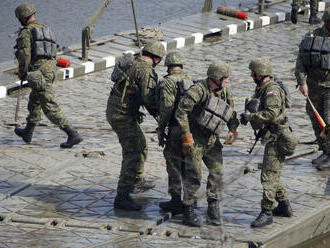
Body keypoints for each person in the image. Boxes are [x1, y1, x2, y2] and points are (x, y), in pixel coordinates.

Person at [175, 61, 239, 227]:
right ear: (216, 78)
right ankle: (188, 209)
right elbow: (181, 112)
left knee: (217, 173)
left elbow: (231, 113)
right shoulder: (198, 90)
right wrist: (186, 135)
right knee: (194, 176)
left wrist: (233, 130)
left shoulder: (224, 92)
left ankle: (213, 207)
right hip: (195, 140)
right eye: (225, 78)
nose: (227, 81)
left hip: (212, 140)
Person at [14, 2, 83, 149]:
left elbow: (24, 54)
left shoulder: (27, 32)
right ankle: (28, 131)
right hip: (50, 71)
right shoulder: (46, 29)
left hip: (38, 73)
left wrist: (22, 71)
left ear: (21, 17)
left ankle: (72, 133)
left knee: (49, 105)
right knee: (35, 100)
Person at [106, 41, 165, 211]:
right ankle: (122, 196)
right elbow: (149, 98)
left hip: (118, 110)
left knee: (141, 146)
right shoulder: (145, 71)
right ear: (157, 59)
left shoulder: (132, 63)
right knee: (132, 153)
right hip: (122, 115)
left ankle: (136, 180)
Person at [240, 58, 295, 228]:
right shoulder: (262, 88)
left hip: (278, 138)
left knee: (268, 176)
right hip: (273, 136)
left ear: (261, 73)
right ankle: (284, 205)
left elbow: (271, 113)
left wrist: (251, 117)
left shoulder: (272, 91)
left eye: (253, 73)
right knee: (272, 172)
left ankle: (266, 212)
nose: (251, 75)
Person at [157, 52, 193, 214]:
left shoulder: (168, 82)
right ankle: (189, 200)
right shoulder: (190, 79)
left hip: (175, 128)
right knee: (188, 164)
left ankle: (176, 200)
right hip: (190, 128)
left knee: (173, 163)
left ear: (168, 66)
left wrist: (161, 126)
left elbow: (166, 107)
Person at [295, 8, 330, 169]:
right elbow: (301, 61)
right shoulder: (313, 36)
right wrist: (302, 82)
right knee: (315, 118)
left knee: (328, 121)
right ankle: (324, 150)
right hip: (314, 86)